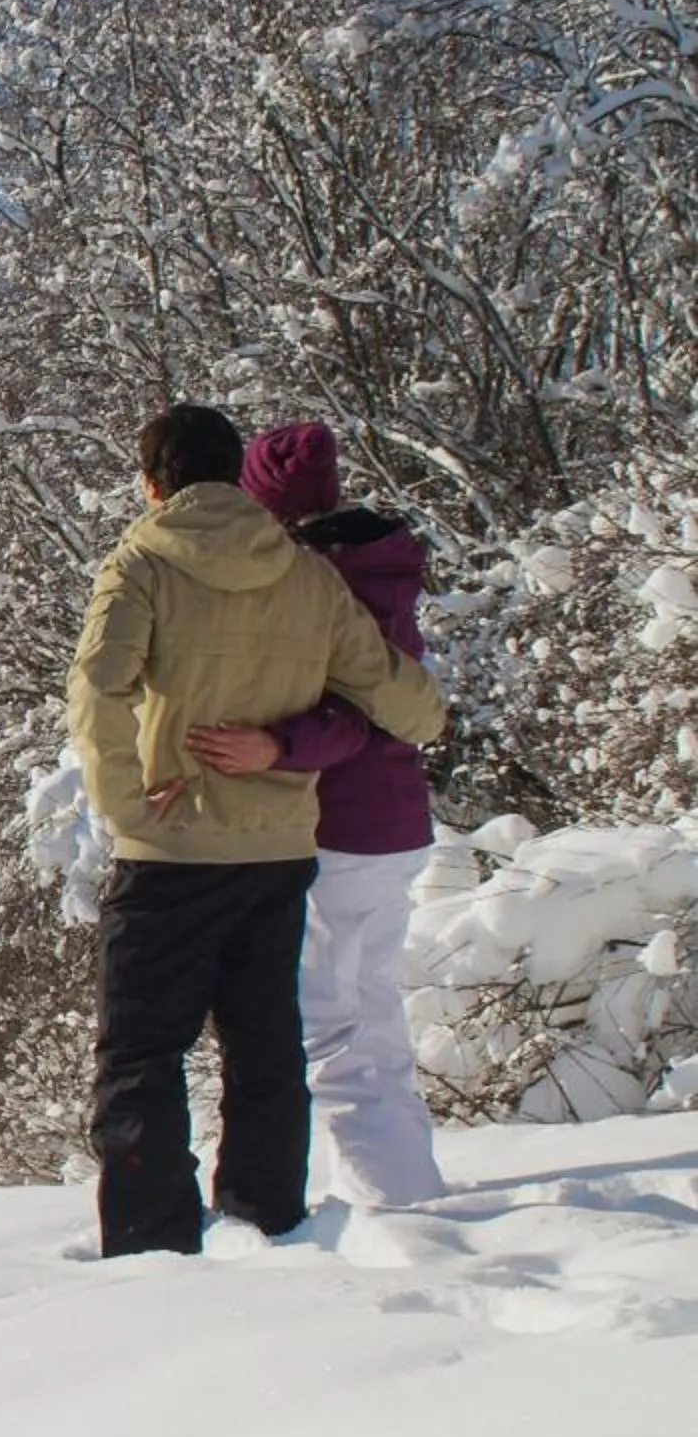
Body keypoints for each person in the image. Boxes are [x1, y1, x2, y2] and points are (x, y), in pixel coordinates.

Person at [65, 405, 446, 1258]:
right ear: (234, 477)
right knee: (265, 1040)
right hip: (277, 849)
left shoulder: (142, 566)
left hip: (170, 849)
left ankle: (150, 1241)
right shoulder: (307, 577)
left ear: (152, 484)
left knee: (141, 1050)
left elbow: (99, 692)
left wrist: (128, 809)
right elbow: (407, 703)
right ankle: (267, 1217)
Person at [184, 421, 449, 1208]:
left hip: (341, 827)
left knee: (329, 1027)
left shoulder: (324, 581)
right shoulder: (380, 569)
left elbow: (358, 712)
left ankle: (390, 1204)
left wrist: (278, 745)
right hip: (394, 824)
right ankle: (408, 1184)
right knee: (370, 1015)